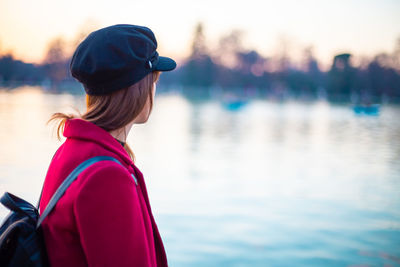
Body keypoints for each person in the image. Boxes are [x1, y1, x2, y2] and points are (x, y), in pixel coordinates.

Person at [39, 24, 176, 267]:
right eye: (153, 80)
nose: (155, 89)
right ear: (138, 88)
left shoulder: (72, 150)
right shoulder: (107, 176)